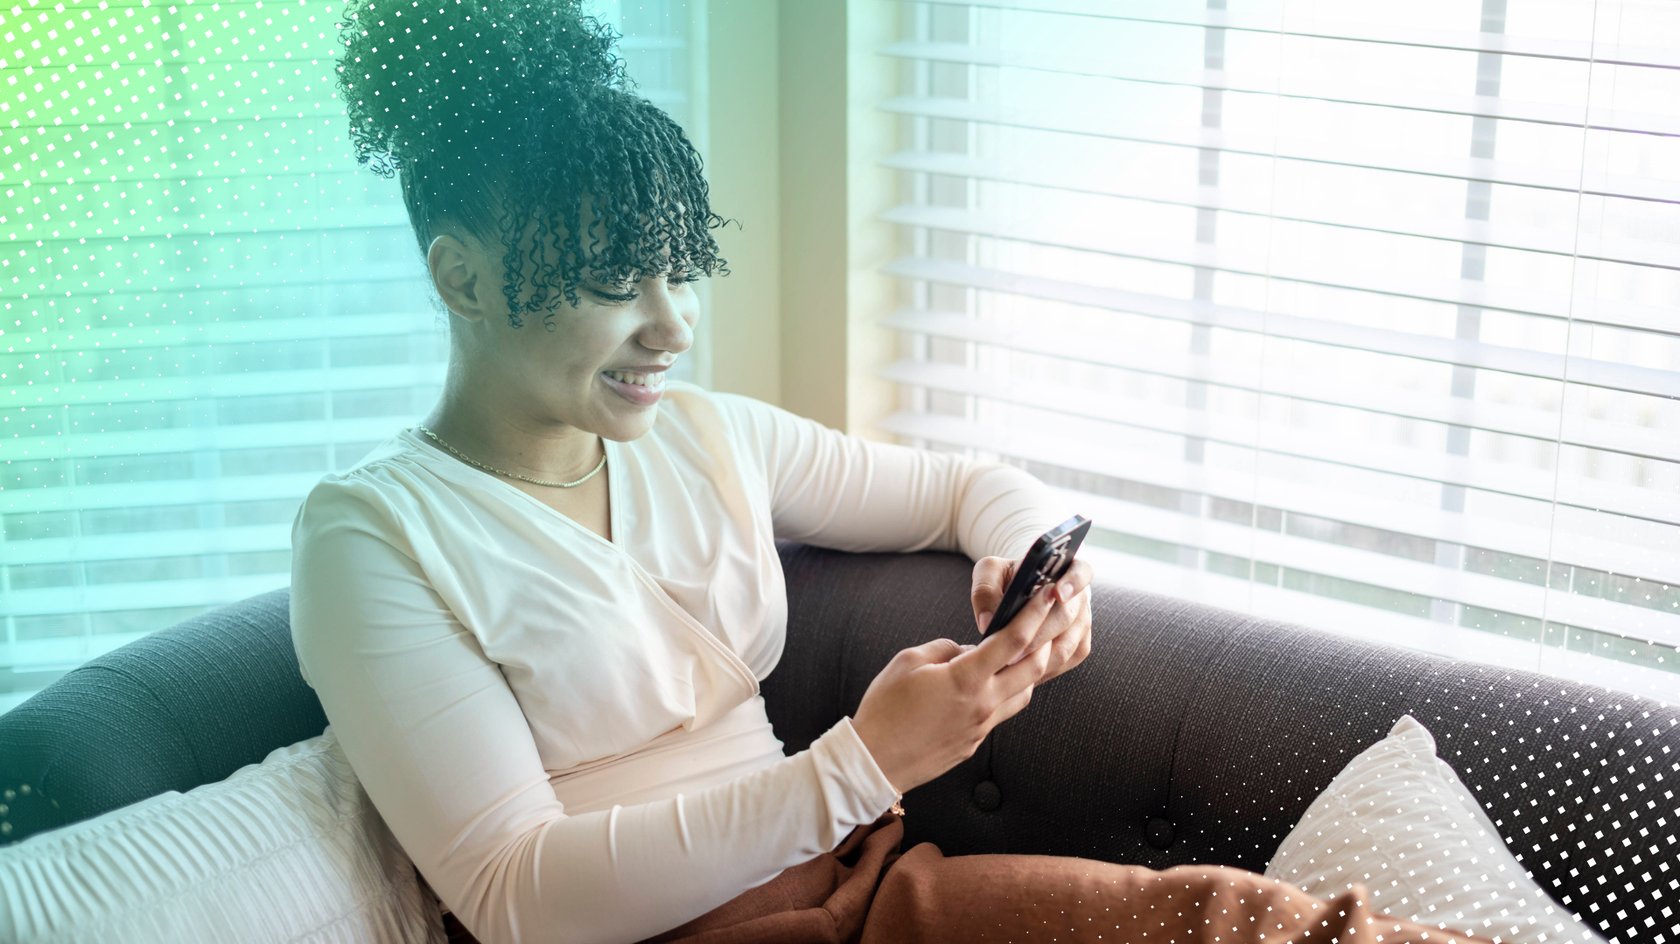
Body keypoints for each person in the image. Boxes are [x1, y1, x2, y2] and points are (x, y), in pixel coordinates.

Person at [289, 3, 1497, 943]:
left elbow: (963, 484)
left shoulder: (704, 436)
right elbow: (515, 893)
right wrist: (863, 762)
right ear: (461, 279)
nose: (674, 325)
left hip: (853, 892)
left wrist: (1032, 564)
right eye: (617, 283)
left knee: (1230, 920)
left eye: (680, 271)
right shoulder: (373, 537)